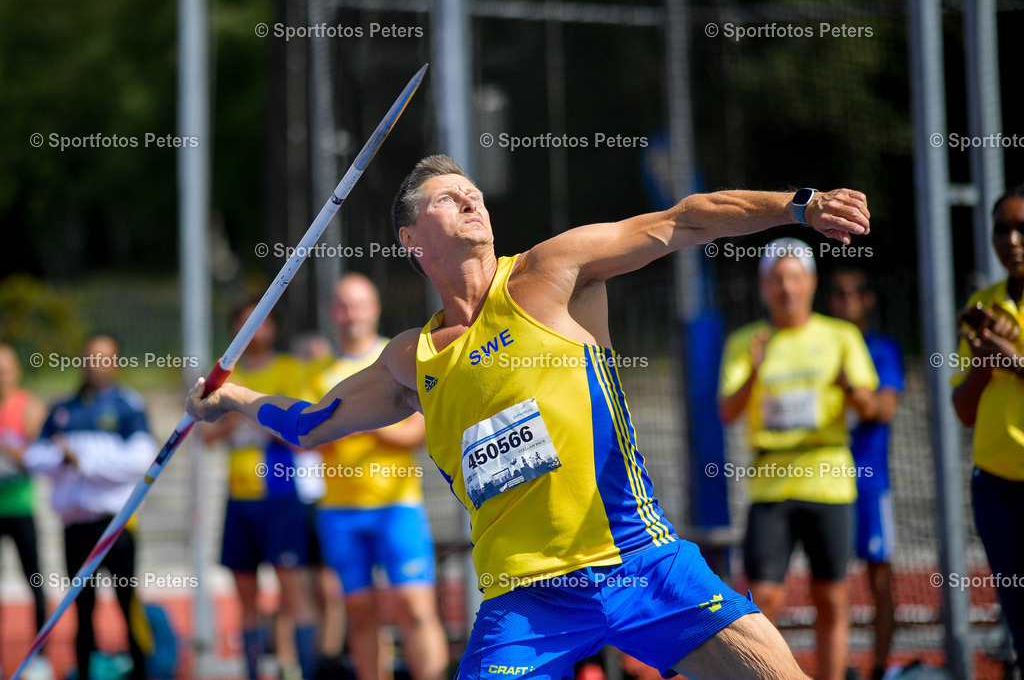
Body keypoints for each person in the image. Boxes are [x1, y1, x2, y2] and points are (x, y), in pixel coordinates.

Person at [187, 155, 871, 679]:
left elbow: (685, 219)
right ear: (410, 237)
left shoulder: (550, 273)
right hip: (526, 598)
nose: (472, 200)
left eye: (474, 193)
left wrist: (800, 206)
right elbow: (311, 422)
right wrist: (233, 398)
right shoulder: (412, 359)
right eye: (449, 198)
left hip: (640, 562)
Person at [718, 240, 880, 680]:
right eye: (776, 279)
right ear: (763, 286)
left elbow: (869, 407)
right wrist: (754, 370)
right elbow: (727, 411)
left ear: (809, 283)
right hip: (770, 486)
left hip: (828, 480)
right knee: (760, 601)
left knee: (831, 598)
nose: (785, 288)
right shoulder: (745, 341)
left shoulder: (841, 336)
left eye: (794, 277)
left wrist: (852, 389)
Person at [308, 273, 447, 680]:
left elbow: (416, 433)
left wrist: (356, 421)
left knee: (416, 610)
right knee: (360, 615)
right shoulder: (320, 373)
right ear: (334, 313)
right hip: (340, 513)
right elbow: (311, 439)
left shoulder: (398, 358)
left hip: (397, 508)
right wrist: (370, 422)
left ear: (375, 309)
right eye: (344, 306)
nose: (351, 315)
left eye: (360, 305)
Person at [24, 335, 154, 680]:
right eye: (89, 357)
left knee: (128, 604)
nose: (95, 365)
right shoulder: (63, 408)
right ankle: (85, 671)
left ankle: (141, 670)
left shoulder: (128, 405)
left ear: (116, 362)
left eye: (103, 358)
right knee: (81, 608)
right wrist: (63, 459)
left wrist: (82, 460)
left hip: (116, 525)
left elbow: (141, 459)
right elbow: (36, 457)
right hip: (75, 526)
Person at [201, 303, 319, 680]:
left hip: (281, 496)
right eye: (242, 321)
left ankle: (304, 669)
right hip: (239, 499)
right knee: (245, 598)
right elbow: (206, 435)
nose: (252, 328)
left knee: (293, 592)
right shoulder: (221, 378)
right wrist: (236, 417)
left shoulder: (289, 370)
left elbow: (304, 431)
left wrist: (250, 411)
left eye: (261, 320)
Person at [951, 184, 1024, 674]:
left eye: (1023, 228)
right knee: (1021, 621)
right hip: (996, 490)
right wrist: (983, 363)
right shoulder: (985, 302)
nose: (1012, 240)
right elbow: (964, 410)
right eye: (1003, 228)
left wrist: (1016, 362)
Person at [828, 268, 903, 680]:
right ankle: (836, 668)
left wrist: (848, 387)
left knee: (880, 579)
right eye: (837, 294)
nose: (846, 300)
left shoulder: (881, 348)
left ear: (868, 299)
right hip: (824, 481)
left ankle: (879, 668)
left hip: (871, 483)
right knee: (831, 580)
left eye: (854, 292)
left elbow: (884, 409)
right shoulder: (819, 344)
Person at [0, 344, 53, 679]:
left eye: (4, 370)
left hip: (20, 508)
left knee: (34, 581)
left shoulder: (29, 407)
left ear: (16, 372)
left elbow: (37, 458)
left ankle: (42, 658)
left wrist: (12, 450)